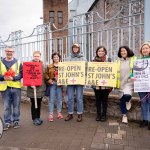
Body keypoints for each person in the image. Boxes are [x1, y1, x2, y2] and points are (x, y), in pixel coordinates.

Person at [0, 46, 22, 130]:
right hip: (5, 87)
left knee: (16, 106)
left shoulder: (18, 62)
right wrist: (3, 77)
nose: (9, 52)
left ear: (13, 52)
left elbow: (21, 74)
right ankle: (7, 122)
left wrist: (14, 78)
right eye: (8, 51)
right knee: (6, 106)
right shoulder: (1, 62)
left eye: (11, 51)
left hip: (16, 87)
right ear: (5, 52)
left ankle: (16, 120)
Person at [64, 43, 86, 122]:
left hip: (79, 81)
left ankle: (80, 114)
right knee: (70, 98)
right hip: (70, 81)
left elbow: (85, 69)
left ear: (79, 49)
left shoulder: (83, 58)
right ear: (72, 49)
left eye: (77, 47)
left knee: (79, 98)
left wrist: (85, 78)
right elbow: (65, 69)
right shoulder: (68, 58)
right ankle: (70, 114)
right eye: (74, 47)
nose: (75, 49)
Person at [116, 46, 136, 124]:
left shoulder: (133, 59)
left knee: (127, 96)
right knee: (122, 98)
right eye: (121, 51)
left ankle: (128, 100)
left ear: (127, 51)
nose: (123, 52)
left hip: (129, 82)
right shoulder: (117, 61)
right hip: (120, 83)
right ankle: (124, 116)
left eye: (124, 51)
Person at [92, 46, 111, 122]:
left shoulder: (108, 60)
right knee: (97, 100)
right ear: (97, 52)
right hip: (96, 84)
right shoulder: (93, 60)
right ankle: (98, 114)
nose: (100, 52)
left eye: (102, 51)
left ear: (105, 52)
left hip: (105, 85)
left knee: (104, 100)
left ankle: (104, 115)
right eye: (99, 51)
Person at [27, 51, 45, 126]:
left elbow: (43, 76)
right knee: (34, 104)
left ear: (40, 56)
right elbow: (27, 76)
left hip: (40, 88)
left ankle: (38, 117)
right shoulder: (29, 65)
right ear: (33, 56)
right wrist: (30, 84)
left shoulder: (42, 65)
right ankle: (34, 119)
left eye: (38, 56)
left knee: (39, 103)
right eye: (35, 56)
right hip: (32, 88)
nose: (36, 57)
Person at [45, 52, 63, 122]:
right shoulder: (49, 66)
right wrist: (49, 80)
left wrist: (62, 82)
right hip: (52, 84)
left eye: (57, 57)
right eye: (54, 57)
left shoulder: (62, 66)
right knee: (51, 100)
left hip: (60, 85)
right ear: (52, 58)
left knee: (59, 100)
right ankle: (51, 114)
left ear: (59, 58)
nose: (56, 58)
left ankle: (59, 113)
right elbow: (46, 74)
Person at [137, 42, 150, 129]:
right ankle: (145, 120)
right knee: (143, 102)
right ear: (141, 50)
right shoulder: (138, 61)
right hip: (141, 85)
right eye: (143, 48)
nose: (145, 50)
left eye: (146, 48)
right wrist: (132, 76)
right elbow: (133, 73)